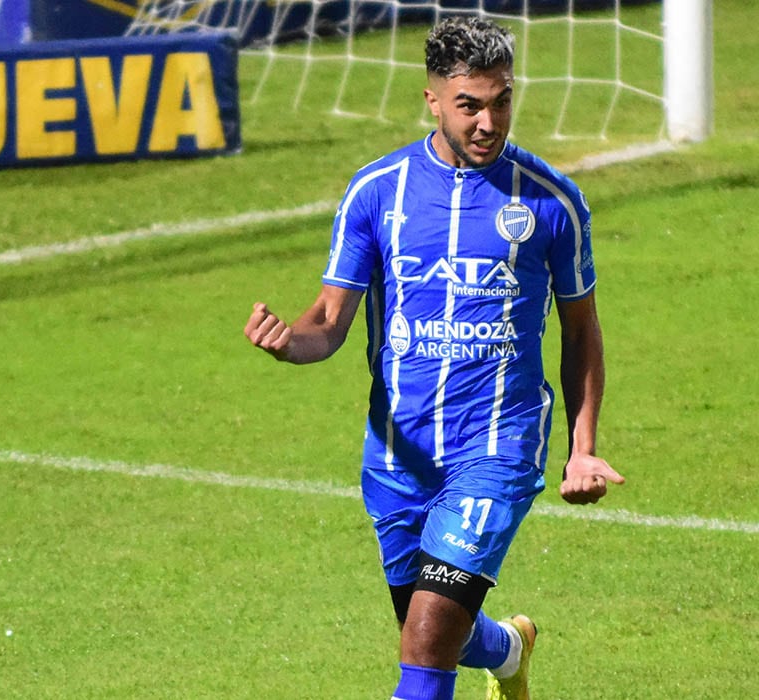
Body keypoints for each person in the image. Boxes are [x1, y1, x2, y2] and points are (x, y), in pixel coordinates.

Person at [244, 15, 623, 700]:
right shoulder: (377, 193)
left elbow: (581, 331)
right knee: (436, 626)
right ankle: (507, 649)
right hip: (397, 455)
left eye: (501, 100)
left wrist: (582, 446)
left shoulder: (551, 202)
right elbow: (328, 321)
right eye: (469, 105)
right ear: (433, 100)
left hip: (498, 448)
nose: (488, 121)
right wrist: (288, 343)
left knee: (424, 641)